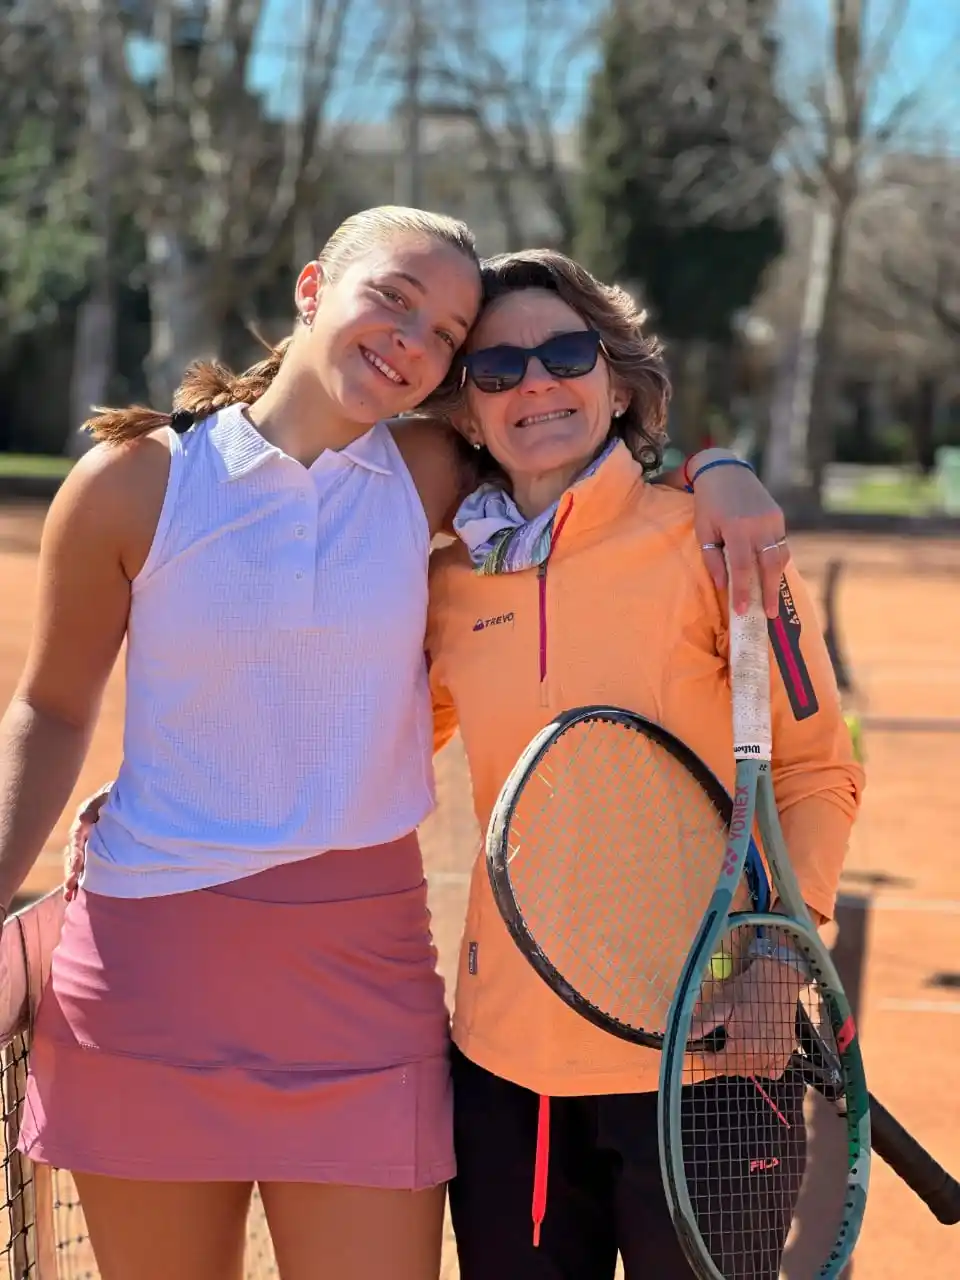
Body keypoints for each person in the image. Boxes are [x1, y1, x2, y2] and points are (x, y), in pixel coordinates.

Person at [12, 204, 785, 1280]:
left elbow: (583, 450)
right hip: (146, 983)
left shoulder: (427, 472)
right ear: (313, 285)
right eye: (394, 298)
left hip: (361, 989)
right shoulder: (137, 478)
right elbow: (49, 709)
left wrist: (719, 464)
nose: (414, 340)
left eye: (444, 333)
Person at [422, 249, 865, 1279]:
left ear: (616, 381)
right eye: (496, 368)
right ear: (467, 415)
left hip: (712, 1057)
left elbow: (813, 772)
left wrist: (782, 957)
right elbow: (368, 760)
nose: (535, 380)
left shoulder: (715, 544)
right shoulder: (443, 584)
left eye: (565, 351)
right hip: (505, 1074)